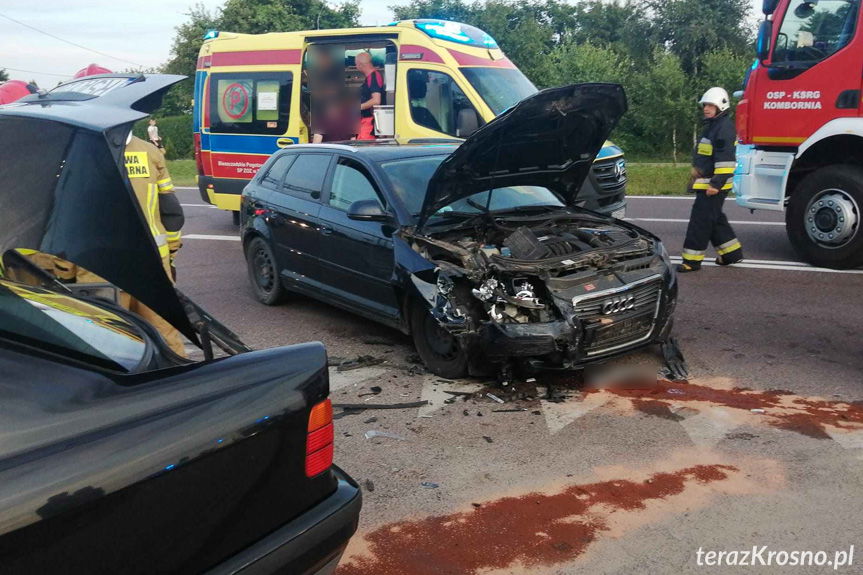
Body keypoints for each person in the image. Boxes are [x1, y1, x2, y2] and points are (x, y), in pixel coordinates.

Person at [678, 87, 743, 273]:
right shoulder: (713, 126)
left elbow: (726, 161)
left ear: (720, 107)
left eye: (710, 105)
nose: (706, 108)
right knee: (714, 219)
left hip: (714, 185)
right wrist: (697, 169)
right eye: (705, 105)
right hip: (708, 182)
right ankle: (732, 253)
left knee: (700, 221)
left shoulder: (723, 129)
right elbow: (707, 154)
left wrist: (716, 184)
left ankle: (692, 261)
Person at [356, 52, 384, 140]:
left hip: (370, 121)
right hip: (366, 121)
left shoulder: (374, 77)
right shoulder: (371, 77)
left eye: (356, 63)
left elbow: (376, 100)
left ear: (360, 65)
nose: (356, 66)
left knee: (364, 148)